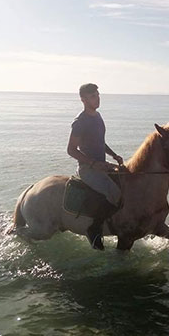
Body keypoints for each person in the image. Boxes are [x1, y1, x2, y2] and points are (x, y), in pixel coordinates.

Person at [67, 83, 123, 250]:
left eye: (98, 95)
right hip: (88, 169)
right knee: (115, 194)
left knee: (127, 181)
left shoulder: (97, 116)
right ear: (83, 100)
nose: (97, 99)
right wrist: (93, 163)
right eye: (93, 96)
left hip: (102, 165)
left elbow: (100, 142)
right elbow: (71, 150)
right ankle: (94, 229)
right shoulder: (80, 122)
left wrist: (113, 155)